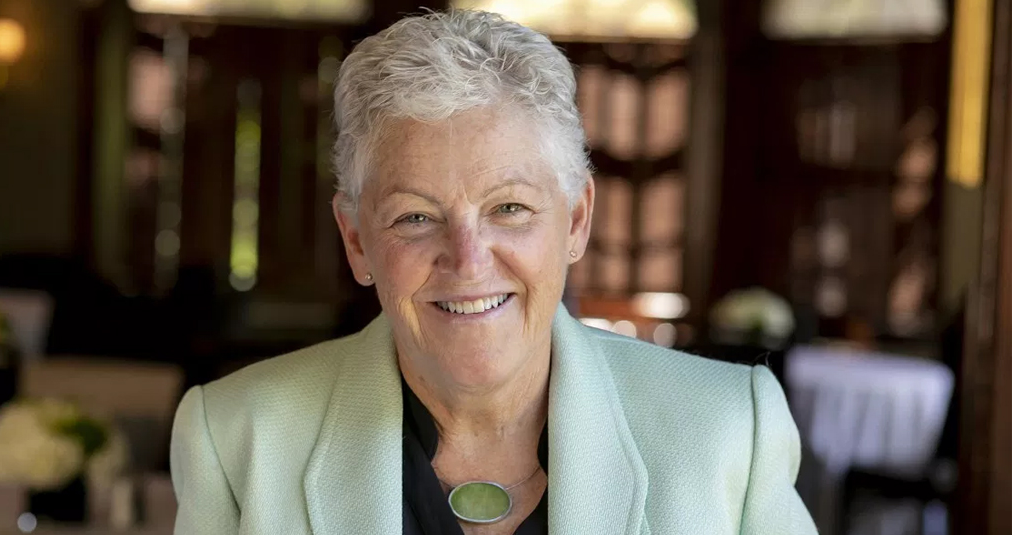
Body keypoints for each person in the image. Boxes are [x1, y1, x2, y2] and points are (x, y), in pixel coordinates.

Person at [170, 10, 817, 535]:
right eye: (416, 217)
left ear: (575, 221)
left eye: (509, 208)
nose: (468, 260)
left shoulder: (729, 430)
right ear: (355, 240)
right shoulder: (236, 439)